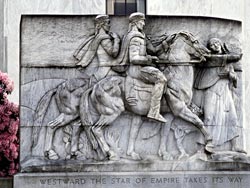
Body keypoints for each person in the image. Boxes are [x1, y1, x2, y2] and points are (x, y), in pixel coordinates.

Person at [194, 37, 244, 152]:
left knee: (232, 118)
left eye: (216, 43)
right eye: (211, 44)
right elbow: (200, 81)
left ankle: (235, 145)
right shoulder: (207, 63)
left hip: (225, 92)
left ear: (221, 44)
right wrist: (217, 74)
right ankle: (203, 146)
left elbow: (235, 80)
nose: (215, 45)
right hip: (211, 92)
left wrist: (230, 76)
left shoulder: (228, 63)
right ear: (209, 48)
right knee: (209, 117)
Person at [123, 12, 167, 123]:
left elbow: (152, 50)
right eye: (141, 21)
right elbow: (133, 58)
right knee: (161, 79)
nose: (143, 24)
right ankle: (154, 112)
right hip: (136, 71)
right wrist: (148, 59)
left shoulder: (141, 36)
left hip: (140, 68)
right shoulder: (135, 38)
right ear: (135, 23)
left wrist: (162, 45)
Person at [73, 14, 121, 86]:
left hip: (102, 70)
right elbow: (114, 53)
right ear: (102, 24)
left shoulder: (98, 37)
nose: (109, 25)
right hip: (106, 70)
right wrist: (117, 40)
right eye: (108, 23)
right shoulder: (104, 39)